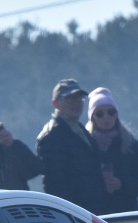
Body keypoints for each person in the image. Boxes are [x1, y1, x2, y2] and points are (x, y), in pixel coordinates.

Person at [37, 79, 107, 211]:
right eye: (69, 100)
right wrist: (73, 213)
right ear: (56, 103)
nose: (76, 104)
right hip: (78, 213)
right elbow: (54, 183)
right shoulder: (51, 136)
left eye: (79, 99)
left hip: (93, 210)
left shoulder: (80, 129)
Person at [83, 88, 138, 218]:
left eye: (111, 112)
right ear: (92, 118)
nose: (106, 117)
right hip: (95, 217)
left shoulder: (132, 146)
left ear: (116, 115)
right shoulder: (84, 147)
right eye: (100, 114)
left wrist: (122, 184)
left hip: (126, 217)